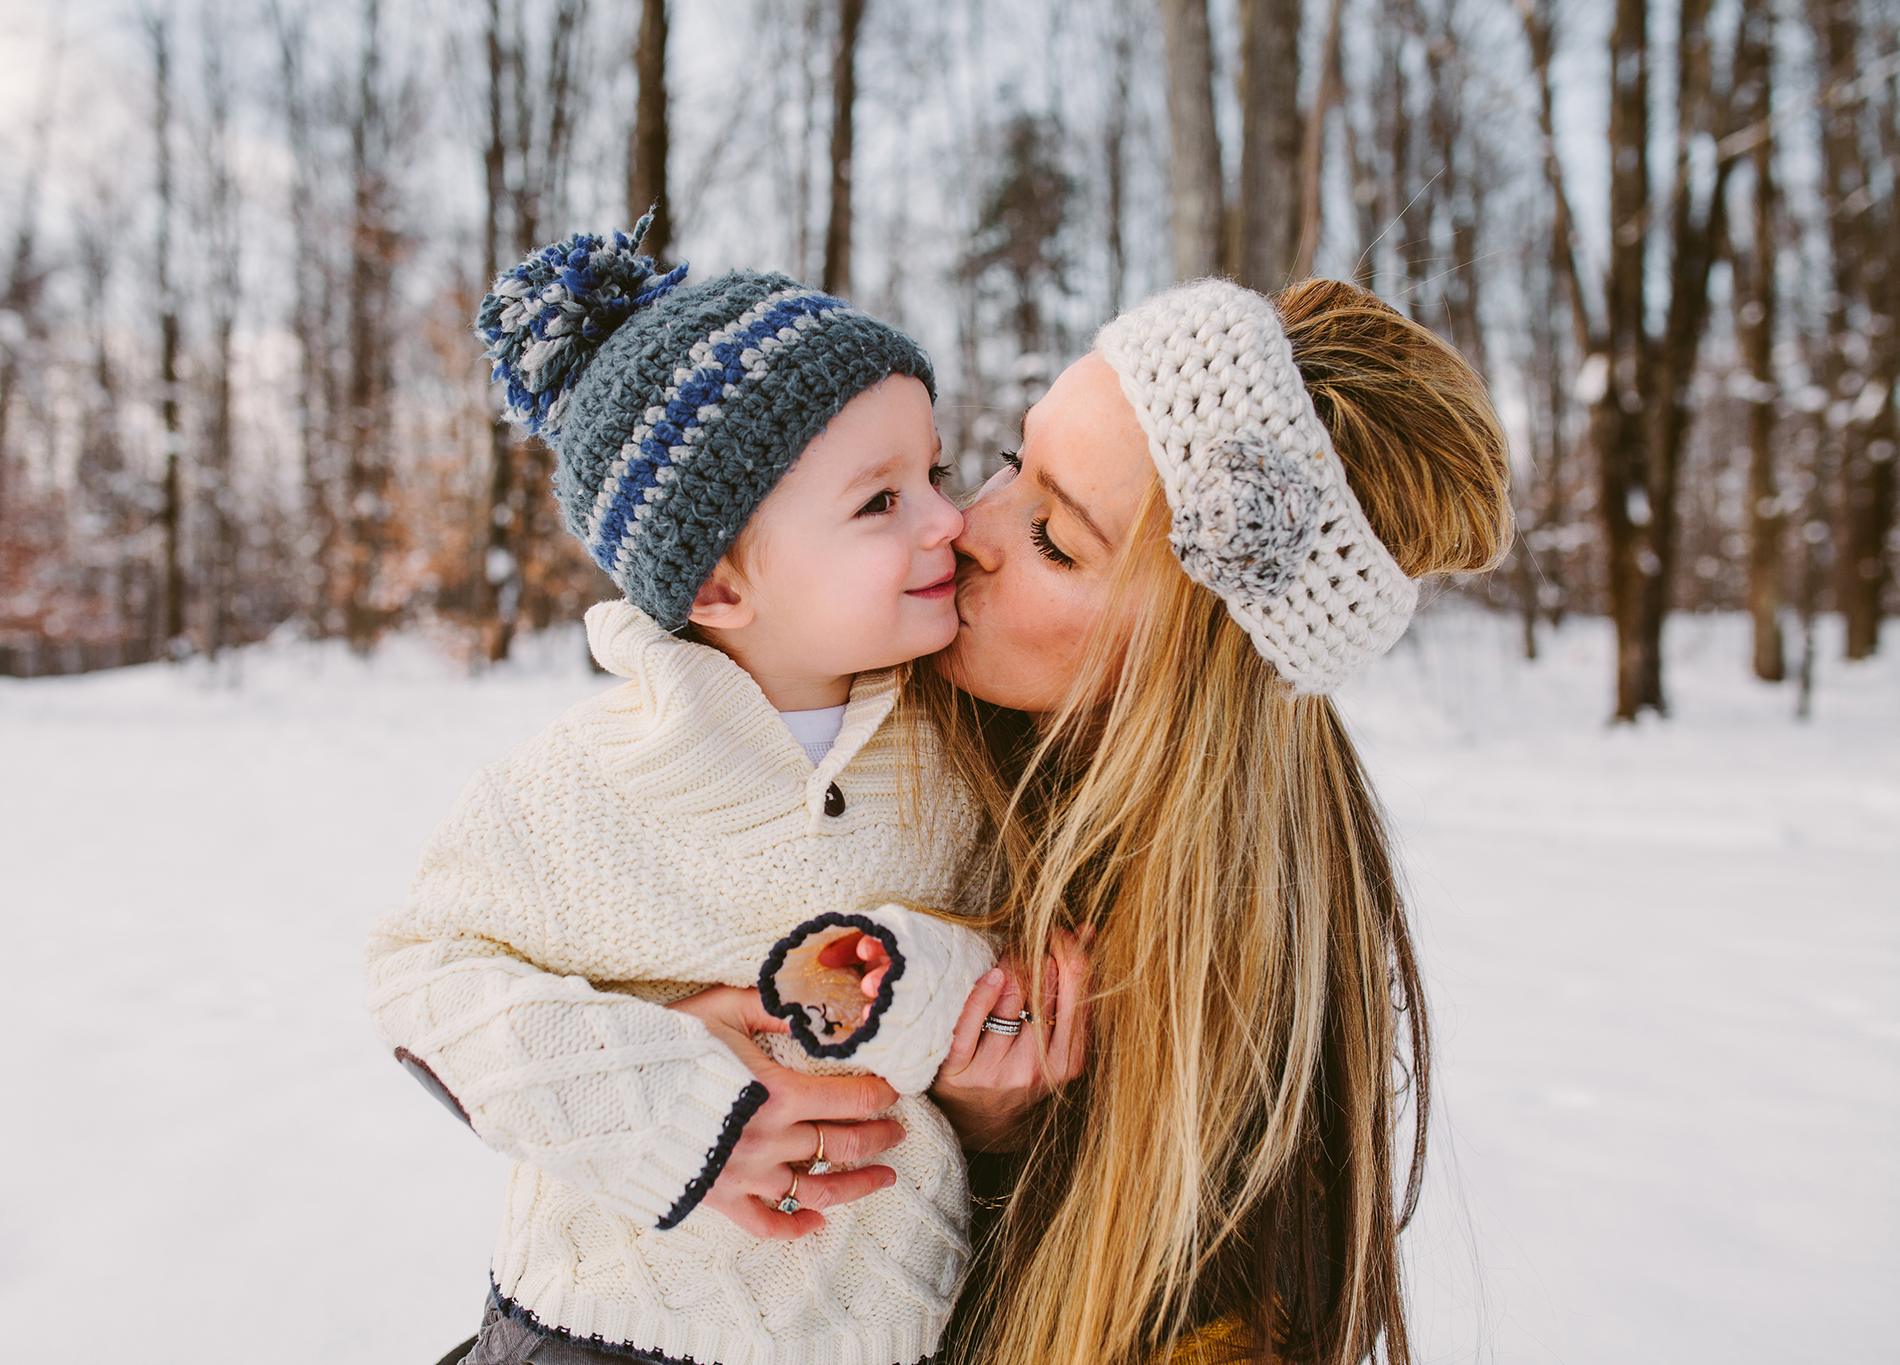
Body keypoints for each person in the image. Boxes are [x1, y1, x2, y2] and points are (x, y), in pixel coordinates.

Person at [366, 215, 1000, 1365]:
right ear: (716, 584)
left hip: (884, 1330)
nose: (947, 520)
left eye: (935, 475)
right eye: (880, 502)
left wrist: (902, 980)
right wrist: (661, 1098)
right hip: (601, 1325)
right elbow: (424, 978)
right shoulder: (588, 776)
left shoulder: (965, 754)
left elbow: (1018, 963)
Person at [917, 276, 1513, 1365]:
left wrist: (992, 1146)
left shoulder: (1245, 1009)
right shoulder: (853, 681)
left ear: (1194, 677)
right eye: (1010, 462)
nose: (963, 526)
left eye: (1052, 535)